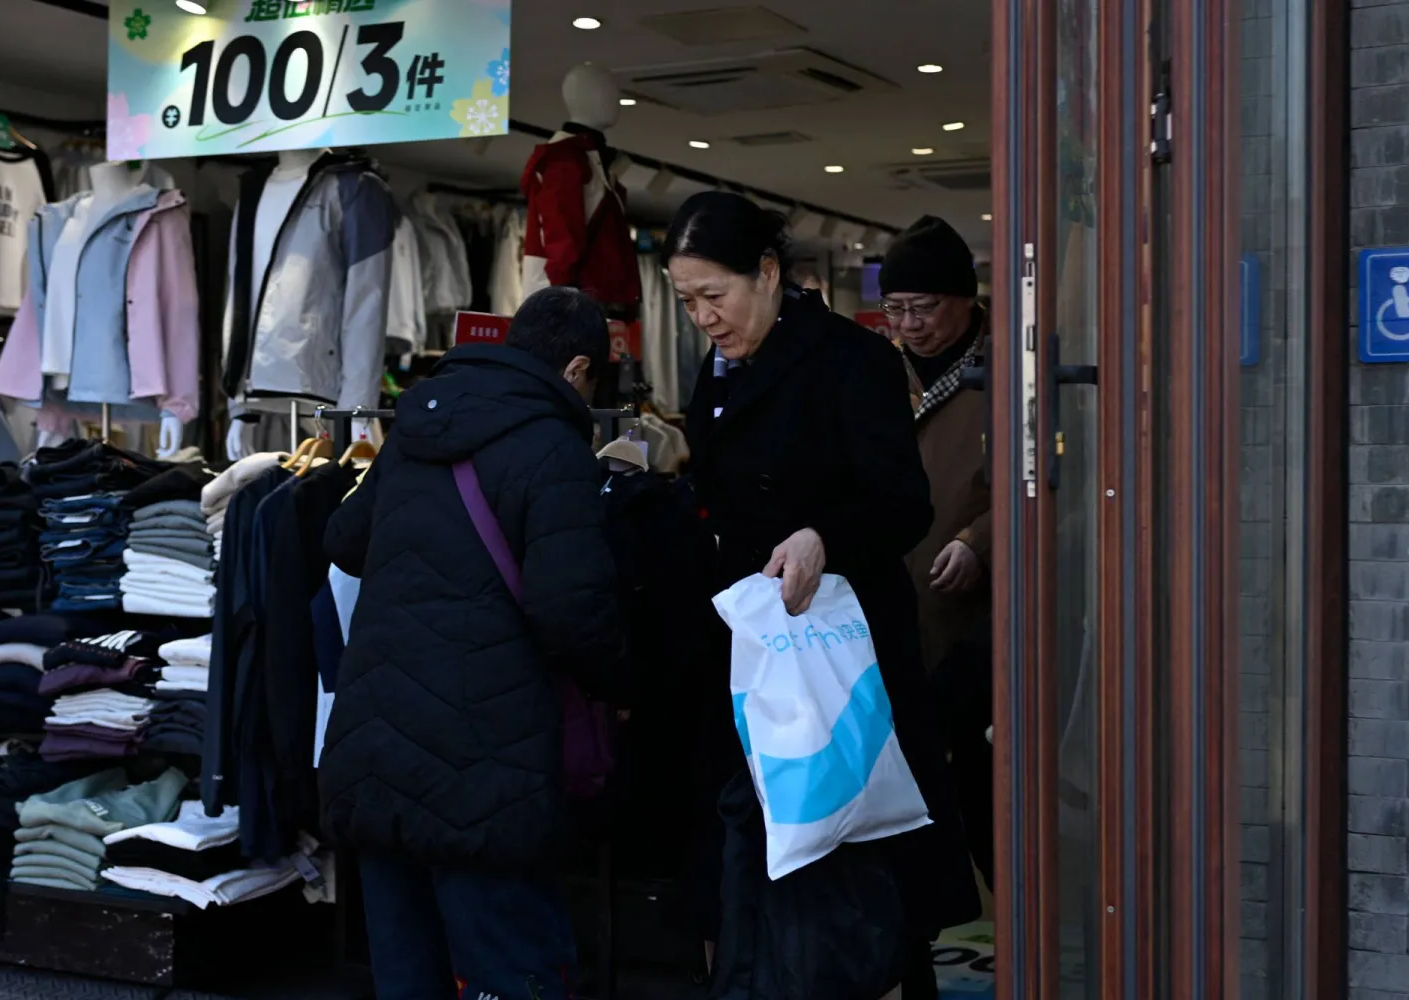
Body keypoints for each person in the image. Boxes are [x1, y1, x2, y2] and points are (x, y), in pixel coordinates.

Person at [673, 191, 978, 1000]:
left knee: (860, 864)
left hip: (842, 661)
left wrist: (823, 537)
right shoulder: (717, 373)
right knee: (755, 860)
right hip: (754, 655)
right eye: (685, 301)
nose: (703, 317)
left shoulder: (852, 361)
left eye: (715, 295)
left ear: (768, 273)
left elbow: (902, 503)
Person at [318, 286, 625, 1000]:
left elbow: (342, 540)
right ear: (579, 368)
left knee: (407, 972)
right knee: (507, 966)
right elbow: (569, 611)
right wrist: (622, 685)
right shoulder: (555, 450)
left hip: (380, 742)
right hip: (487, 755)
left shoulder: (416, 429)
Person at [880, 215, 990, 677]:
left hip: (978, 615)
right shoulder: (878, 371)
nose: (909, 325)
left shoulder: (1013, 369)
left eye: (923, 307)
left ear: (965, 297)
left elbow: (1061, 483)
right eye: (894, 308)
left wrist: (980, 542)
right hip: (888, 612)